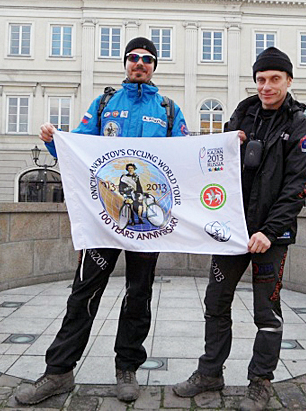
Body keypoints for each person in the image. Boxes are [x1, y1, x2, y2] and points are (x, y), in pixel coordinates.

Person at [14, 37, 189, 405]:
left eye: (147, 59)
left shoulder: (169, 110)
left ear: (154, 66)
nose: (139, 63)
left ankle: (127, 368)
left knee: (138, 295)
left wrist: (224, 146)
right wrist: (53, 141)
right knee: (84, 292)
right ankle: (58, 371)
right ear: (125, 63)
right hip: (103, 219)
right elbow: (78, 147)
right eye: (133, 57)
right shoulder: (105, 103)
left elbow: (186, 157)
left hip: (146, 225)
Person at [173, 47, 306, 411]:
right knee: (215, 302)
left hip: (271, 237)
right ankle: (210, 373)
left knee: (266, 312)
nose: (266, 86)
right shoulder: (242, 114)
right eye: (261, 79)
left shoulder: (301, 128)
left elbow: (298, 187)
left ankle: (260, 382)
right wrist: (228, 142)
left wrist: (269, 231)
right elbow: (217, 165)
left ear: (288, 81)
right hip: (232, 232)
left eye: (274, 79)